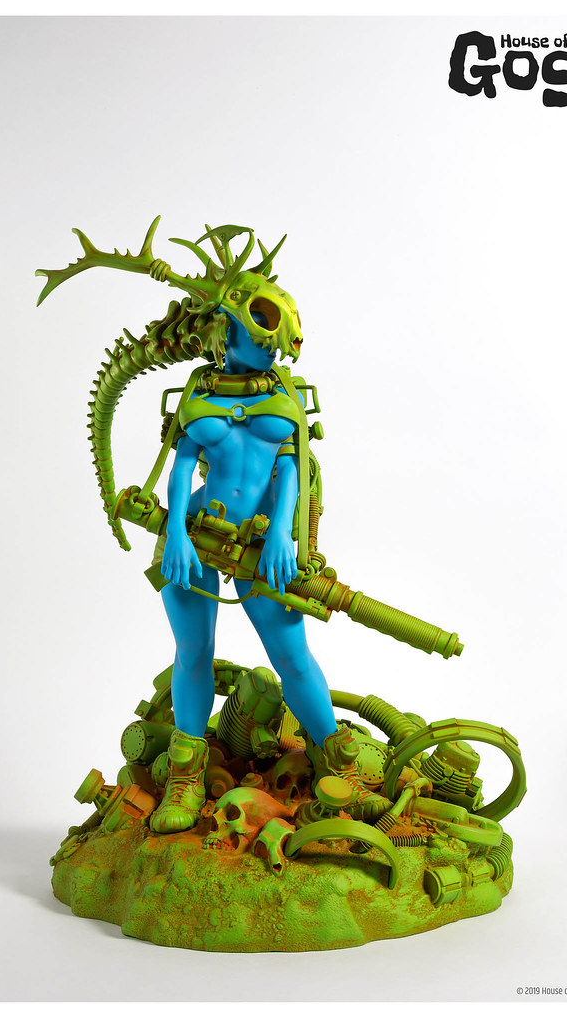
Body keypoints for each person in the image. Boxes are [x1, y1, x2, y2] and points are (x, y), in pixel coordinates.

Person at [150, 307, 389, 833]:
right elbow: (182, 467)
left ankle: (340, 768)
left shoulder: (284, 394)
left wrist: (283, 533)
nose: (272, 348)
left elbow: (291, 468)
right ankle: (185, 778)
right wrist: (178, 535)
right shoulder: (198, 391)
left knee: (293, 657)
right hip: (197, 533)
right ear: (225, 330)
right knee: (192, 652)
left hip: (262, 545)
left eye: (278, 340)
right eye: (261, 335)